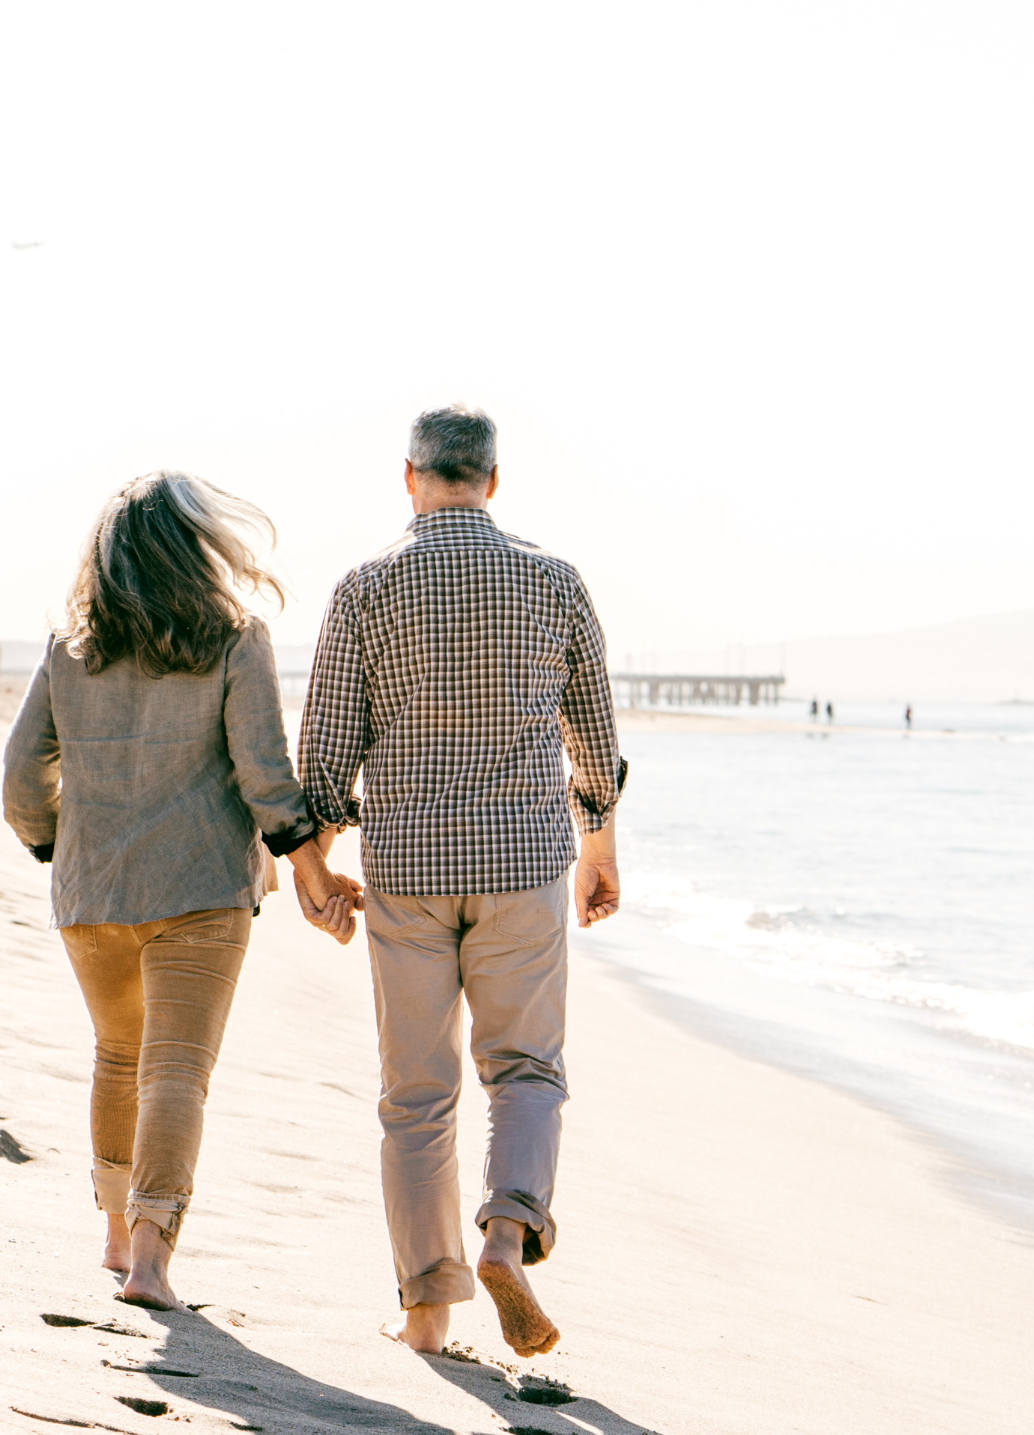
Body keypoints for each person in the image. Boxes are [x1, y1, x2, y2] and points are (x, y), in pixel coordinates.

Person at [298, 405, 625, 1360]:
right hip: (523, 864)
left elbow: (325, 754)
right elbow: (595, 741)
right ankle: (505, 1234)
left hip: (407, 870)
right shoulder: (553, 581)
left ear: (410, 477)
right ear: (493, 479)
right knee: (524, 1069)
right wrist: (599, 849)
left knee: (416, 1092)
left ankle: (427, 1317)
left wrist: (312, 866)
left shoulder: (365, 589)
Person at [3, 471, 361, 1311]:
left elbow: (23, 777)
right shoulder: (235, 638)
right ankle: (153, 1263)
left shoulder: (71, 645)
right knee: (176, 1074)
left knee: (118, 1056)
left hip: (92, 893)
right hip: (200, 890)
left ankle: (117, 1235)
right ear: (198, 546)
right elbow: (267, 779)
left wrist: (58, 845)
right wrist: (311, 873)